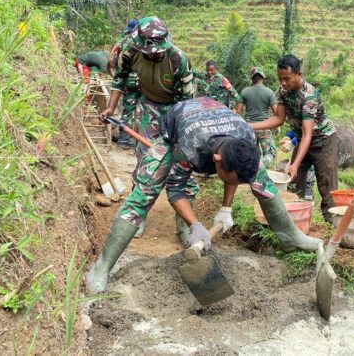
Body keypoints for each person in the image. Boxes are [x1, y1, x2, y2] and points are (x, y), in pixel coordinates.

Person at [86, 97, 321, 293]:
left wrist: (226, 208)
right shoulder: (190, 147)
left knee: (263, 183)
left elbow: (235, 175)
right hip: (179, 127)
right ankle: (103, 266)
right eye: (230, 179)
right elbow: (175, 188)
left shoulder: (246, 137)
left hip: (221, 122)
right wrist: (196, 224)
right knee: (144, 194)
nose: (234, 184)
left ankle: (291, 237)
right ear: (217, 160)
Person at [100, 16, 196, 240]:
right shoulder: (130, 52)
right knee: (145, 161)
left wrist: (177, 135)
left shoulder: (178, 59)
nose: (155, 55)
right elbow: (120, 79)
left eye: (158, 52)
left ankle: (184, 226)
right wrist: (111, 108)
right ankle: (138, 216)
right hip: (149, 106)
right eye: (150, 52)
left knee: (182, 163)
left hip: (177, 110)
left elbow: (186, 104)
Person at [251, 55, 338, 222]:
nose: (283, 83)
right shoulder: (283, 91)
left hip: (323, 140)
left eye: (287, 78)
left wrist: (295, 163)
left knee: (327, 184)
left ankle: (331, 223)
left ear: (299, 74)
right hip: (302, 138)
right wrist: (250, 126)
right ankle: (293, 218)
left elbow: (307, 132)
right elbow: (278, 119)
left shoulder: (309, 95)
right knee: (292, 179)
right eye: (280, 78)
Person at [236, 67, 278, 168]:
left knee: (251, 153)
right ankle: (258, 167)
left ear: (251, 78)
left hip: (249, 127)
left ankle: (252, 169)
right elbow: (277, 113)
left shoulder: (245, 91)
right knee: (271, 154)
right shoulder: (269, 92)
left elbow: (238, 112)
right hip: (264, 126)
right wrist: (277, 126)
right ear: (263, 77)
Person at [110, 19, 141, 148]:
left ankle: (124, 138)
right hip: (144, 81)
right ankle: (142, 139)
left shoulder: (123, 41)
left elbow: (111, 60)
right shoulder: (145, 40)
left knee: (128, 108)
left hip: (128, 80)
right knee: (146, 110)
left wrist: (114, 75)